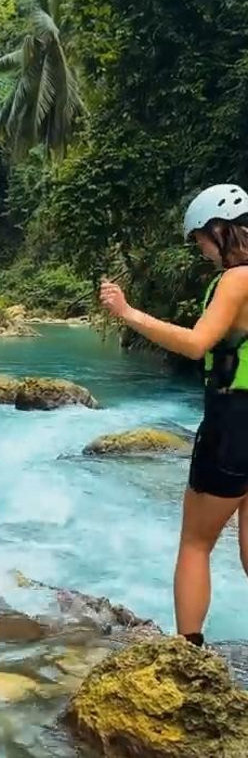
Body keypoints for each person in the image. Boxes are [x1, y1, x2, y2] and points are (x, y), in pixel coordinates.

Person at [100, 183, 248, 648]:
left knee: (196, 544)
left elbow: (197, 343)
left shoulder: (236, 280)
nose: (201, 250)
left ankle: (189, 655)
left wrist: (128, 313)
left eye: (202, 239)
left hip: (233, 423)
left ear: (221, 231)